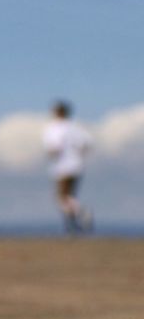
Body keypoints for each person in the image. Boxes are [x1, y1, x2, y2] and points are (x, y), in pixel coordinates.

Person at [42, 100, 93, 234]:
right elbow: (87, 144)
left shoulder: (55, 128)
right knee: (70, 197)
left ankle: (81, 212)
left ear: (57, 113)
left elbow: (54, 148)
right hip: (77, 166)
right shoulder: (75, 127)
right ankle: (72, 227)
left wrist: (53, 155)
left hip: (62, 167)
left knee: (62, 198)